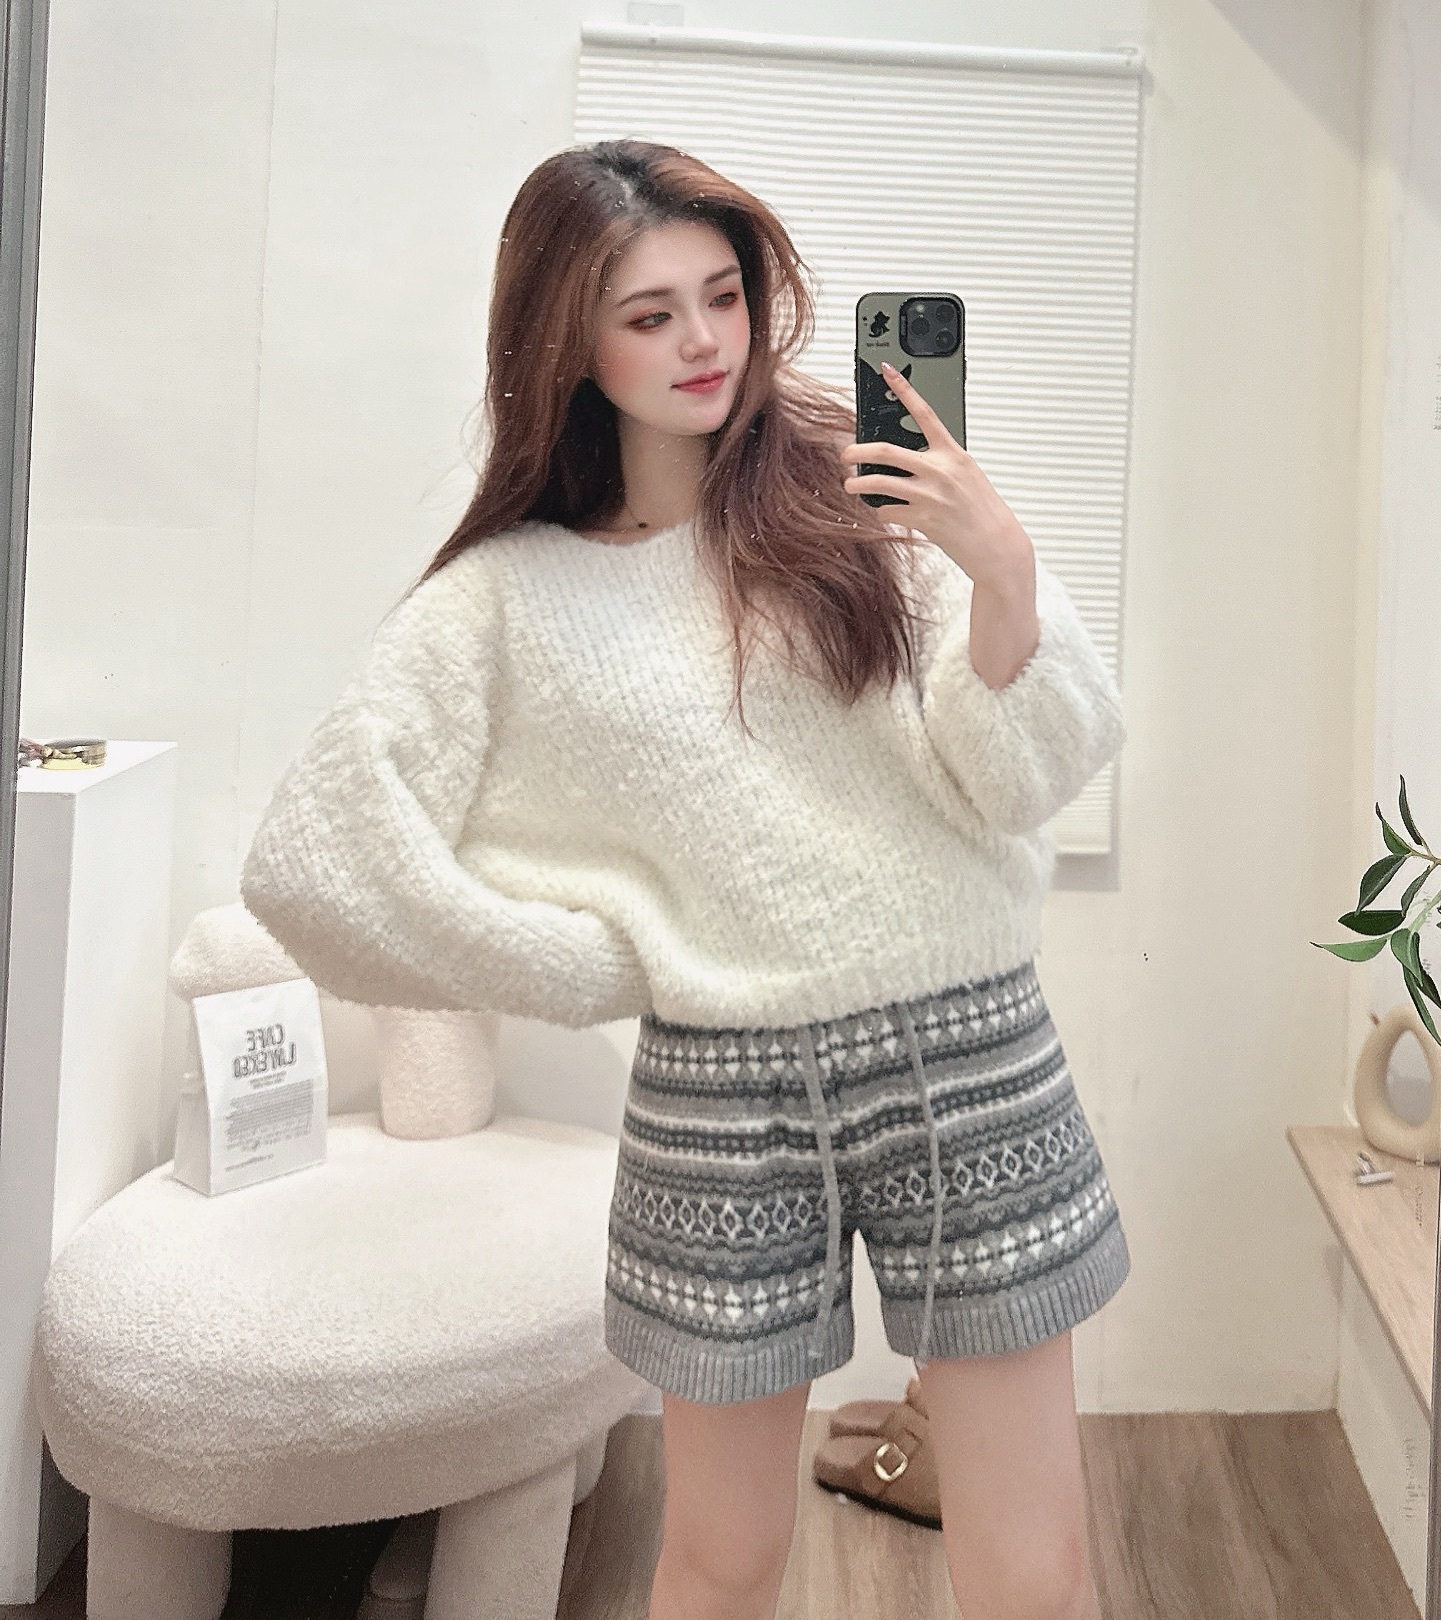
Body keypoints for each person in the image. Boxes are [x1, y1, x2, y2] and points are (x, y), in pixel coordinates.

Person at [239, 137, 1129, 1620]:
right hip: (720, 1092)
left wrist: (1004, 574)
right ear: (568, 342)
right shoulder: (505, 598)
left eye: (722, 296)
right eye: (649, 315)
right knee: (720, 1556)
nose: (705, 341)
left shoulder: (861, 493)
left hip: (968, 1046)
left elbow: (1020, 774)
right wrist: (590, 962)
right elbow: (319, 859)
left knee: (1030, 1562)